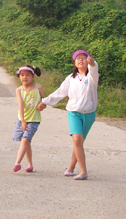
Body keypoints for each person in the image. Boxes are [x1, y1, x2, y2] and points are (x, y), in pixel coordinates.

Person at [37, 50, 98, 180]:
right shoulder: (71, 78)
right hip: (73, 113)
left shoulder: (92, 77)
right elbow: (60, 92)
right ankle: (83, 172)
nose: (80, 60)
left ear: (88, 60)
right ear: (75, 63)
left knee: (79, 143)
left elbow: (93, 68)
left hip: (89, 114)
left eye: (83, 58)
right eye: (78, 58)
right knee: (77, 140)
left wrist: (92, 63)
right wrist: (45, 101)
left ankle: (70, 168)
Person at [12, 65, 45, 173]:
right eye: (22, 75)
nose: (24, 77)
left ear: (33, 76)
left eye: (27, 75)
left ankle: (17, 162)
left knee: (25, 139)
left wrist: (42, 106)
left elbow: (44, 102)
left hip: (34, 120)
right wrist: (22, 121)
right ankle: (30, 164)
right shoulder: (19, 90)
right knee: (27, 142)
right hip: (22, 119)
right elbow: (20, 105)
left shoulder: (38, 88)